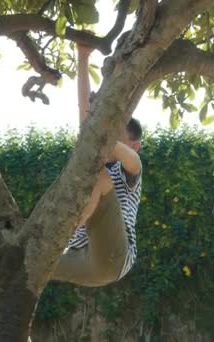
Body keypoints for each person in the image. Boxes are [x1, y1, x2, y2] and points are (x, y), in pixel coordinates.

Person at [50, 43, 143, 287]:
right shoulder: (94, 159)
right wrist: (82, 57)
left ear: (134, 145)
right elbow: (84, 115)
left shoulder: (129, 172)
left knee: (100, 178)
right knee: (26, 263)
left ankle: (60, 232)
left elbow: (133, 162)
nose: (111, 140)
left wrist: (104, 133)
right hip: (80, 258)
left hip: (112, 258)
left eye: (118, 137)